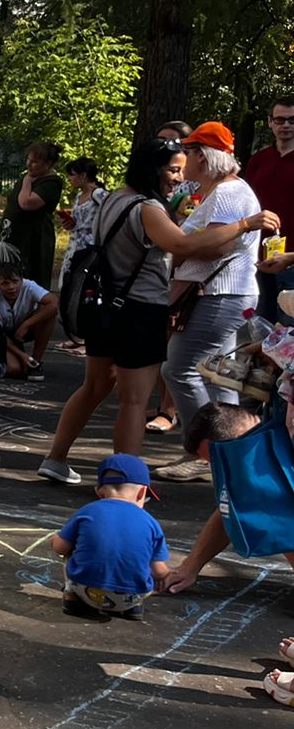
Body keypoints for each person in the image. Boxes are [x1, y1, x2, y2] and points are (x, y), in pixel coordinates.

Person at [38, 139, 278, 484]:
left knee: (94, 386)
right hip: (139, 311)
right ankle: (124, 480)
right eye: (173, 170)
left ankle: (56, 457)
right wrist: (244, 225)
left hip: (105, 307)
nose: (179, 178)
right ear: (152, 169)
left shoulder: (113, 198)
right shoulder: (147, 207)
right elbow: (182, 244)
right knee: (134, 401)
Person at [156, 122, 265, 479]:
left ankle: (204, 453)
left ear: (201, 157)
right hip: (227, 293)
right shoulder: (224, 191)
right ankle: (227, 453)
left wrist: (177, 249)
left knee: (179, 369)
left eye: (187, 152)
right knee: (220, 377)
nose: (183, 159)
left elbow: (216, 246)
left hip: (220, 294)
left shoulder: (228, 193)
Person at [158, 404, 294, 594]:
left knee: (277, 508)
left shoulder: (271, 449)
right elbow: (233, 504)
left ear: (237, 445)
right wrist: (190, 566)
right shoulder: (262, 438)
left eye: (217, 463)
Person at [50, 453, 168, 621]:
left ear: (100, 493)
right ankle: (133, 609)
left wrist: (54, 539)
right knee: (144, 557)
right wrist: (164, 577)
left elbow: (60, 548)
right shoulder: (151, 523)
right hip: (132, 596)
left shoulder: (87, 511)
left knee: (71, 550)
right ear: (142, 493)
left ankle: (72, 598)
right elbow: (160, 570)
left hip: (86, 590)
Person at [245, 95, 294, 323]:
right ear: (270, 122)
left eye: (292, 120)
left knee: (289, 333)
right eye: (280, 120)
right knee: (259, 329)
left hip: (291, 261)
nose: (286, 125)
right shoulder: (259, 160)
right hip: (258, 260)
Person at [56, 157, 107, 355]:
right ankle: (76, 335)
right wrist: (70, 222)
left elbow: (109, 214)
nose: (70, 179)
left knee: (86, 290)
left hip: (90, 249)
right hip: (75, 247)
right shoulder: (79, 196)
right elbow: (79, 221)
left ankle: (88, 338)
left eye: (73, 175)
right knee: (68, 287)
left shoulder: (98, 194)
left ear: (83, 175)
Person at [1, 141, 64, 288]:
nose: (29, 165)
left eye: (34, 162)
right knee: (7, 278)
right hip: (12, 238)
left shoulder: (51, 183)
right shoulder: (31, 176)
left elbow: (26, 203)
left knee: (29, 282)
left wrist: (27, 182)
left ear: (48, 164)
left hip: (32, 242)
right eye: (28, 159)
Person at [0, 263, 57, 381]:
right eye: (5, 283)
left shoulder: (29, 286)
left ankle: (36, 361)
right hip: (3, 337)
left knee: (47, 312)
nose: (11, 287)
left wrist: (26, 324)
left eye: (15, 281)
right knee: (15, 369)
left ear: (22, 280)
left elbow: (54, 304)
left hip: (24, 329)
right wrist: (22, 355)